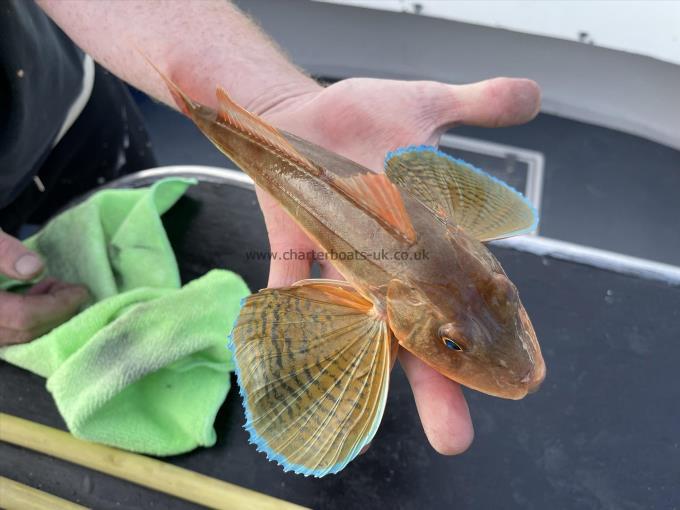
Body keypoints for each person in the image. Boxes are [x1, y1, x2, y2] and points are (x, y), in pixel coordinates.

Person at [1, 1, 541, 456]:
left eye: (503, 292)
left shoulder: (450, 234)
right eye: (451, 343)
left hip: (64, 99)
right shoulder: (391, 292)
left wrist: (275, 104)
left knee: (127, 175)